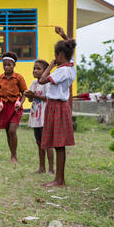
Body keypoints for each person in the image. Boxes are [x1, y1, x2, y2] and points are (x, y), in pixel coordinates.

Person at [39, 37, 77, 187]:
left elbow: (41, 80)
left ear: (60, 55)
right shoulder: (71, 67)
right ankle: (59, 179)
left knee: (59, 145)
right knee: (58, 144)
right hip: (58, 107)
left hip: (57, 107)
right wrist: (63, 35)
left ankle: (59, 180)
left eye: (56, 54)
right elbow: (71, 53)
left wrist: (50, 66)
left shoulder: (61, 71)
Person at [0, 51, 27, 163]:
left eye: (9, 65)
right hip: (4, 107)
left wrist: (20, 103)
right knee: (7, 132)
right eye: (4, 65)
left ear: (14, 65)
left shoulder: (19, 77)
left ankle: (14, 156)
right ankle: (12, 154)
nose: (6, 67)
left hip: (15, 107)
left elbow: (24, 93)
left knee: (12, 130)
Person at [25, 60, 54, 174]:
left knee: (47, 143)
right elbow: (31, 99)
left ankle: (51, 168)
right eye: (34, 68)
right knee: (39, 142)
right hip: (35, 116)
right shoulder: (34, 83)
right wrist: (29, 96)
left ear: (45, 71)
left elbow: (49, 98)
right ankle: (41, 167)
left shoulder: (48, 84)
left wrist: (34, 95)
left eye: (38, 69)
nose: (35, 71)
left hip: (44, 116)